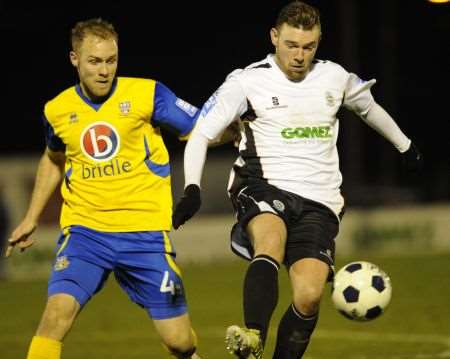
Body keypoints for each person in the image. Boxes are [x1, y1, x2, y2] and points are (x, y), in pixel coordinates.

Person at [172, 1, 423, 358]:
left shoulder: (334, 78)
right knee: (270, 240)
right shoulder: (247, 80)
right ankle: (253, 336)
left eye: (309, 47)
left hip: (320, 200)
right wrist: (192, 188)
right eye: (292, 45)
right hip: (262, 185)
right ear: (275, 37)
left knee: (308, 295)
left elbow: (368, 108)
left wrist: (406, 147)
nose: (300, 55)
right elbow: (200, 134)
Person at [5, 18, 205, 359]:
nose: (104, 70)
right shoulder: (57, 110)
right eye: (94, 61)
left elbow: (200, 128)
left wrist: (239, 128)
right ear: (74, 59)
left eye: (111, 60)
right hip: (86, 234)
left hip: (143, 235)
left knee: (180, 342)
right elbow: (53, 159)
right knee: (55, 317)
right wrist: (31, 217)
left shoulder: (147, 94)